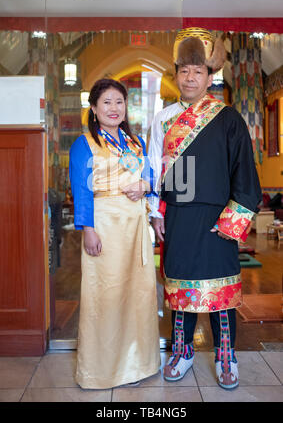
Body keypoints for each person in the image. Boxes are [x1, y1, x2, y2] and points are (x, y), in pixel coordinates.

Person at [148, 28, 262, 390]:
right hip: (179, 218)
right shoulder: (163, 120)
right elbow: (154, 170)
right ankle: (181, 352)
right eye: (184, 71)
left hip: (217, 221)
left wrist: (232, 221)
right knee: (179, 290)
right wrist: (157, 213)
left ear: (210, 77)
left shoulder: (228, 119)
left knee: (221, 293)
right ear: (176, 74)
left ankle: (226, 356)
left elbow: (245, 174)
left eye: (198, 71)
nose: (190, 77)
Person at [69, 78, 160, 389]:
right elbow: (81, 191)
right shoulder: (84, 144)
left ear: (125, 108)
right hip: (104, 227)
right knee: (104, 296)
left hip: (135, 229)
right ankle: (102, 370)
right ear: (94, 108)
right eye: (106, 102)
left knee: (138, 294)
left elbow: (150, 177)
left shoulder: (136, 144)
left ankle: (139, 364)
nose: (113, 108)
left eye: (119, 102)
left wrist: (145, 186)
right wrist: (88, 231)